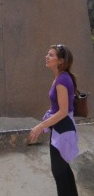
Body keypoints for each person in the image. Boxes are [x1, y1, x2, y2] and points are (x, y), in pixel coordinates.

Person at [29, 44, 79, 196]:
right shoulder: (60, 77)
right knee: (63, 170)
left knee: (59, 172)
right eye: (47, 54)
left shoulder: (62, 80)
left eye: (51, 55)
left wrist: (40, 126)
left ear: (60, 61)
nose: (47, 56)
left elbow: (63, 111)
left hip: (62, 129)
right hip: (59, 128)